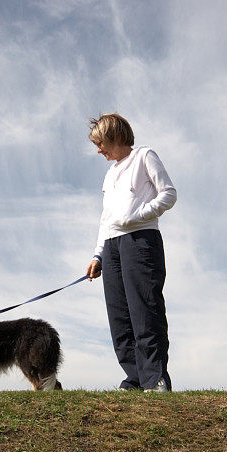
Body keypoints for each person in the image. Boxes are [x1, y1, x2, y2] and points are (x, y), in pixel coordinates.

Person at [85, 114, 177, 392]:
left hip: (141, 240)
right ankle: (135, 378)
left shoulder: (145, 156)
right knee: (120, 316)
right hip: (112, 246)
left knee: (144, 309)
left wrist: (138, 216)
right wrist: (98, 255)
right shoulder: (110, 173)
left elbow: (168, 194)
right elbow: (106, 218)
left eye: (100, 143)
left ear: (114, 136)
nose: (99, 150)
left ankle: (155, 379)